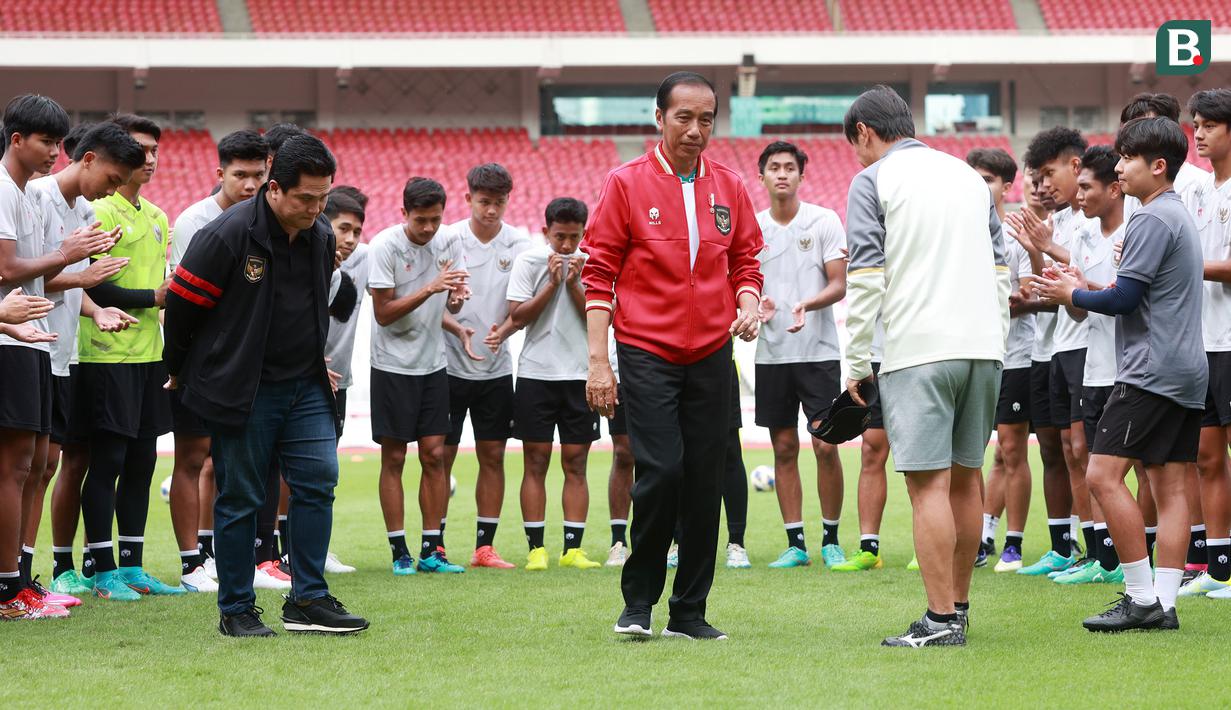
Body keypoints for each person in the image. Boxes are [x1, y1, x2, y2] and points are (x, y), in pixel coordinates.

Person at [583, 71, 764, 641]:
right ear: (658, 118)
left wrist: (750, 301)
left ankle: (690, 614)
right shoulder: (625, 183)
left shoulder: (730, 187)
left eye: (705, 118)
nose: (694, 129)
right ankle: (638, 604)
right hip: (646, 351)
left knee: (705, 479)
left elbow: (746, 262)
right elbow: (599, 275)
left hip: (713, 351)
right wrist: (598, 360)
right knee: (661, 471)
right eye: (683, 117)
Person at [165, 133, 368, 637]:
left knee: (319, 482)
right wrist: (184, 370)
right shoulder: (226, 235)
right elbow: (184, 308)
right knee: (241, 497)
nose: (317, 208)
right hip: (244, 389)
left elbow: (313, 307)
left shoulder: (320, 236)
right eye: (306, 198)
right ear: (274, 189)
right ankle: (236, 610)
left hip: (306, 386)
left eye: (324, 197)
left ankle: (308, 599)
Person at [843, 86, 1009, 648]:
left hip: (918, 349)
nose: (858, 157)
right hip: (983, 347)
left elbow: (864, 276)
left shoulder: (872, 180)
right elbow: (1000, 268)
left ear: (865, 131)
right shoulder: (968, 176)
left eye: (857, 145)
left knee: (927, 487)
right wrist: (998, 341)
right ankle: (957, 610)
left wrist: (856, 359)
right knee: (967, 479)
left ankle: (938, 621)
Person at [1036, 116, 1205, 632]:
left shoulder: (1151, 218)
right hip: (1185, 370)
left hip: (1149, 370)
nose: (1120, 166)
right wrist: (1086, 285)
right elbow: (1138, 293)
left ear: (1158, 166)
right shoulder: (1175, 215)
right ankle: (1166, 604)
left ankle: (1139, 597)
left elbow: (1126, 298)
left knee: (1101, 475)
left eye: (1128, 158)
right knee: (1172, 486)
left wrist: (1073, 295)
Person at [0, 95, 115, 620]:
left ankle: (20, 580)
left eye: (58, 142)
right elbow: (10, 269)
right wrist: (69, 260)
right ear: (16, 139)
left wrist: (78, 281)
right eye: (46, 141)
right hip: (14, 338)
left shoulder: (23, 194)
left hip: (33, 339)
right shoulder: (7, 189)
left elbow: (32, 273)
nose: (54, 151)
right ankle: (8, 589)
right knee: (16, 466)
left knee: (32, 465)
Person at [28, 122, 144, 597]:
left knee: (45, 465)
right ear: (89, 158)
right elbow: (21, 280)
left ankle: (24, 577)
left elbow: (69, 280)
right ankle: (20, 578)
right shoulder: (34, 196)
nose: (112, 190)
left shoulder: (81, 210)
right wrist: (80, 275)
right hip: (27, 344)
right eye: (113, 179)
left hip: (64, 351)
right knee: (31, 466)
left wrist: (97, 309)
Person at [76, 114, 181, 602]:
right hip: (105, 354)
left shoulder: (158, 217)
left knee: (142, 462)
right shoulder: (99, 209)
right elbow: (92, 282)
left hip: (148, 355)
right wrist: (154, 298)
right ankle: (101, 568)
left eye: (155, 150)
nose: (149, 159)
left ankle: (134, 566)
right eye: (140, 149)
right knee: (108, 460)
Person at [168, 128, 269, 593]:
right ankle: (191, 563)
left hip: (247, 366)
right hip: (204, 363)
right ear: (220, 173)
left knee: (230, 461)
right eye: (240, 175)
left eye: (258, 175)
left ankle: (222, 555)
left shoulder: (269, 219)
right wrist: (182, 365)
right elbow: (187, 299)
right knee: (192, 457)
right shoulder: (196, 221)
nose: (250, 185)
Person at [752, 140, 848, 570]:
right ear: (763, 176)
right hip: (772, 354)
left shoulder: (824, 221)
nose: (783, 174)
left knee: (826, 447)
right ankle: (796, 544)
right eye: (774, 167)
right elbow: (744, 287)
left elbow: (839, 284)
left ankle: (831, 538)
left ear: (801, 175)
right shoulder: (752, 230)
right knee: (784, 447)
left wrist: (807, 305)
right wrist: (757, 308)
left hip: (818, 353)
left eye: (790, 167)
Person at [491, 197, 601, 570]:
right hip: (537, 373)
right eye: (559, 237)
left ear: (584, 233)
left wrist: (572, 286)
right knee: (535, 461)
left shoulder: (593, 263)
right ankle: (536, 548)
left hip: (579, 375)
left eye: (573, 237)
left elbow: (599, 318)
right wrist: (552, 285)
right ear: (545, 232)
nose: (566, 246)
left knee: (576, 462)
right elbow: (517, 317)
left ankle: (573, 549)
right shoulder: (529, 261)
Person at [1009, 128, 1098, 577]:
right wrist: (1036, 254)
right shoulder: (1057, 220)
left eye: (1050, 174)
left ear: (1076, 166)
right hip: (1050, 348)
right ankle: (1065, 546)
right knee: (1055, 448)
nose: (1044, 185)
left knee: (1081, 447)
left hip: (1081, 344)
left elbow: (1085, 278)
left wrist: (1042, 254)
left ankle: (1101, 550)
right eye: (1037, 178)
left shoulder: (1091, 216)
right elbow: (1045, 283)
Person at [368, 177, 468, 576]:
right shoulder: (385, 246)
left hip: (433, 364)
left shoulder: (450, 241)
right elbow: (383, 313)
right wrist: (431, 289)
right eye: (421, 220)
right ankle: (399, 551)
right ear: (404, 213)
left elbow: (454, 301)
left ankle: (432, 548)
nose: (429, 228)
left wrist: (457, 300)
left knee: (434, 454)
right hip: (392, 364)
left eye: (436, 220)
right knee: (394, 456)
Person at [440, 163, 530, 569]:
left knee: (493, 454)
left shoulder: (520, 244)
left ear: (508, 200)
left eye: (498, 202)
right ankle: (434, 545)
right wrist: (455, 322)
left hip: (496, 367)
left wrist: (504, 331)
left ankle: (484, 547)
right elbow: (432, 300)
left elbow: (522, 305)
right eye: (483, 202)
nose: (491, 210)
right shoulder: (448, 240)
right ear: (468, 199)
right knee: (440, 456)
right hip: (446, 364)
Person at [1050, 145, 1126, 586]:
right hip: (1094, 367)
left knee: (1139, 471)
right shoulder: (1082, 236)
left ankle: (1141, 558)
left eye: (1085, 187)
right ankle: (1107, 560)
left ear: (1113, 190)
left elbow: (1126, 299)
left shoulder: (1132, 232)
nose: (1078, 196)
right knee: (1097, 469)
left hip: (1128, 368)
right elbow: (1080, 312)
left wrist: (1079, 290)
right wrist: (1068, 294)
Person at [965, 148, 1034, 573]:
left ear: (1007, 186)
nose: (981, 186)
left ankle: (1015, 542)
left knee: (1011, 449)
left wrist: (995, 303)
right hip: (975, 353)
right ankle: (983, 534)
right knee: (982, 453)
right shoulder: (962, 230)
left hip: (1016, 355)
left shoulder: (1017, 232)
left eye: (988, 178)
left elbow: (1030, 293)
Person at [1179, 88, 1231, 599]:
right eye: (1196, 125)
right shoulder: (1198, 192)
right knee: (1206, 456)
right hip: (1203, 340)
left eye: (1209, 125)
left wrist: (1181, 266)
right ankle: (1219, 565)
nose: (1199, 133)